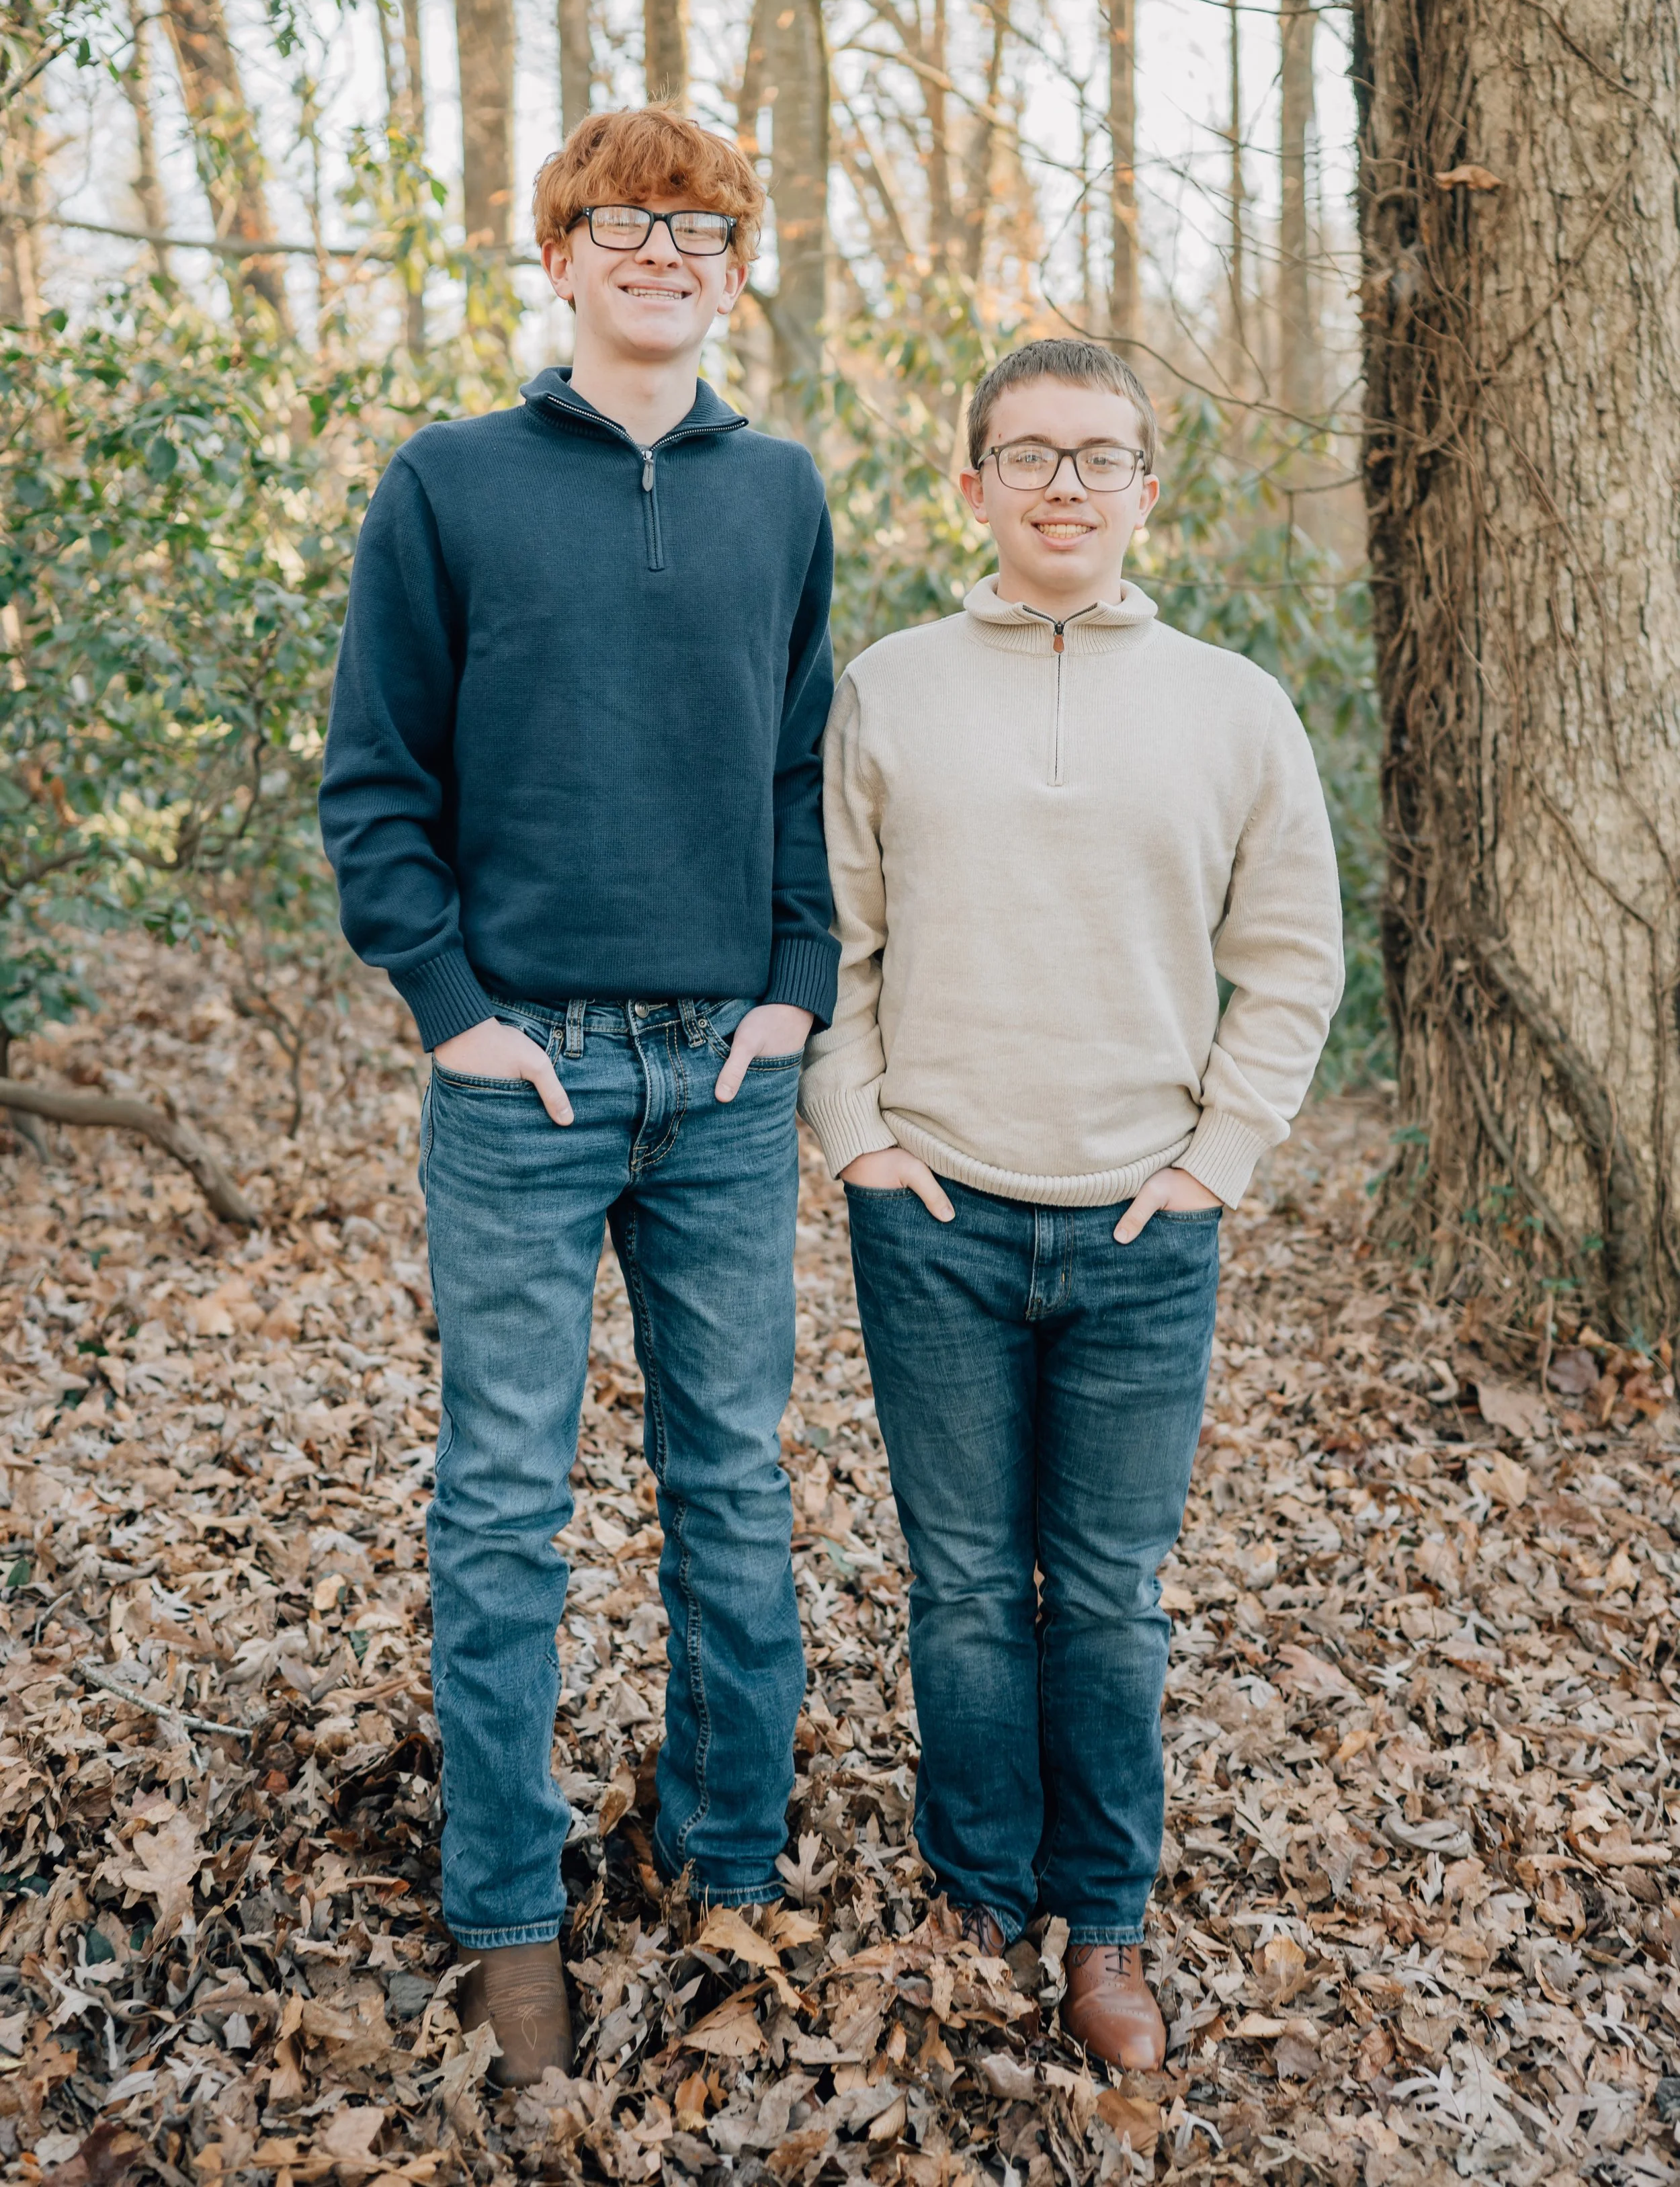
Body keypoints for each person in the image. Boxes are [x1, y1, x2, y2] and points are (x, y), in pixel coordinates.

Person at [319, 108, 839, 2083]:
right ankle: (508, 1916)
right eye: (621, 220)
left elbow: (799, 772)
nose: (662, 249)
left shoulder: (778, 491)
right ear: (556, 255)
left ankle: (725, 1875)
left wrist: (793, 990)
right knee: (506, 1507)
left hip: (721, 1075)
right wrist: (454, 1008)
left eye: (699, 226)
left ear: (732, 265)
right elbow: (376, 783)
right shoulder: (449, 486)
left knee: (730, 1492)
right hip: (520, 1072)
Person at [799, 338, 1343, 2071]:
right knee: (961, 1586)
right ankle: (977, 1899)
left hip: (1140, 1229)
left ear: (1144, 492)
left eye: (1098, 457)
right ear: (972, 486)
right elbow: (835, 944)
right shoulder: (886, 691)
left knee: (1106, 1598)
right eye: (1028, 454)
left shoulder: (1234, 706)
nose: (1063, 484)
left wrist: (1211, 1168)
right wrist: (863, 1141)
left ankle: (1102, 1923)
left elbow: (1291, 967)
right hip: (938, 1209)